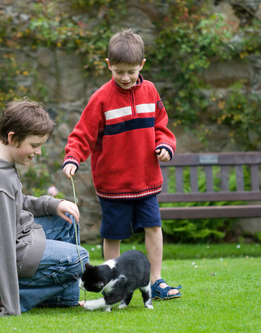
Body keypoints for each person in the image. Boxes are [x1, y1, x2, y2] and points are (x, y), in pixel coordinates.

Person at [62, 29, 181, 300]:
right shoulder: (101, 98)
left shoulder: (150, 91)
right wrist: (73, 157)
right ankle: (112, 283)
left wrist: (164, 145)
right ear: (108, 66)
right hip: (113, 184)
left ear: (142, 65)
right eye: (118, 72)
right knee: (113, 235)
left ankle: (156, 280)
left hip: (147, 180)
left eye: (130, 71)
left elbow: (161, 126)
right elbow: (83, 134)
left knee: (154, 228)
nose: (125, 78)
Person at [0, 99, 89, 316]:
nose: (39, 152)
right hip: (4, 252)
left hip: (17, 235)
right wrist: (11, 305)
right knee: (79, 259)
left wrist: (53, 204)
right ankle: (2, 294)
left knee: (65, 221)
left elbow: (17, 201)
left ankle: (63, 299)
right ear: (12, 138)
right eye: (35, 145)